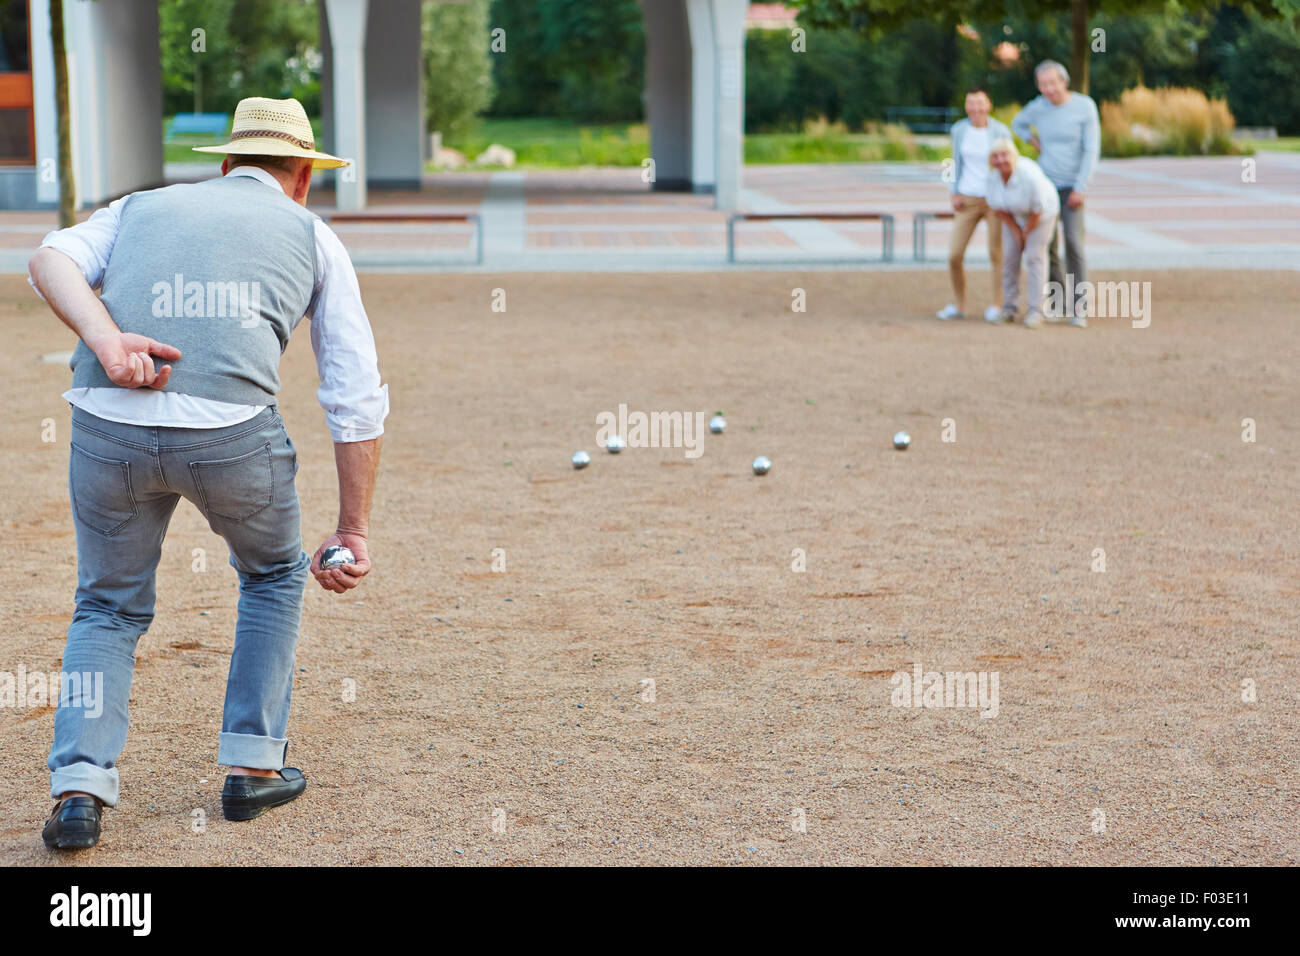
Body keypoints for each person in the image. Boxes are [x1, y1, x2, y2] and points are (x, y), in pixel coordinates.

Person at [27, 97, 389, 850]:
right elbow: (353, 393)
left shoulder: (139, 206)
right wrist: (352, 526)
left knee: (106, 606)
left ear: (226, 165)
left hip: (107, 423)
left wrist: (109, 339)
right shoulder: (314, 236)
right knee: (270, 576)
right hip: (231, 435)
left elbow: (47, 259)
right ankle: (254, 771)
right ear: (302, 180)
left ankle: (79, 787)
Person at [1011, 60, 1100, 327]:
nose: (1048, 89)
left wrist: (1081, 186)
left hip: (1073, 187)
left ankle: (1079, 306)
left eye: (1052, 83)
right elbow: (1017, 123)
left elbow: (1091, 150)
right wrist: (1031, 139)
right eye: (1043, 84)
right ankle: (1058, 299)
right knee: (1047, 245)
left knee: (1074, 243)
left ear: (1064, 81)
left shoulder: (1084, 106)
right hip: (1046, 187)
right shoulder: (1038, 107)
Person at [937, 88, 1012, 323]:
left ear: (988, 104)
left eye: (980, 103)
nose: (975, 108)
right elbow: (949, 161)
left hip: (994, 201)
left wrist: (1007, 196)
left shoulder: (1000, 131)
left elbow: (1010, 163)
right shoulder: (959, 130)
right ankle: (959, 304)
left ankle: (998, 305)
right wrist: (953, 191)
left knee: (996, 253)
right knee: (954, 254)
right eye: (970, 103)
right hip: (967, 199)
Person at [985, 138, 1061, 329]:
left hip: (1042, 215)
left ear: (1013, 156)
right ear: (991, 160)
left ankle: (1036, 311)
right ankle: (1009, 308)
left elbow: (1038, 209)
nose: (1001, 160)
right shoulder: (992, 178)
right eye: (996, 156)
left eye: (1005, 155)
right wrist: (1017, 232)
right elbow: (998, 209)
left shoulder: (1029, 175)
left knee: (1035, 257)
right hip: (1013, 216)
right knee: (1010, 258)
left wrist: (1026, 233)